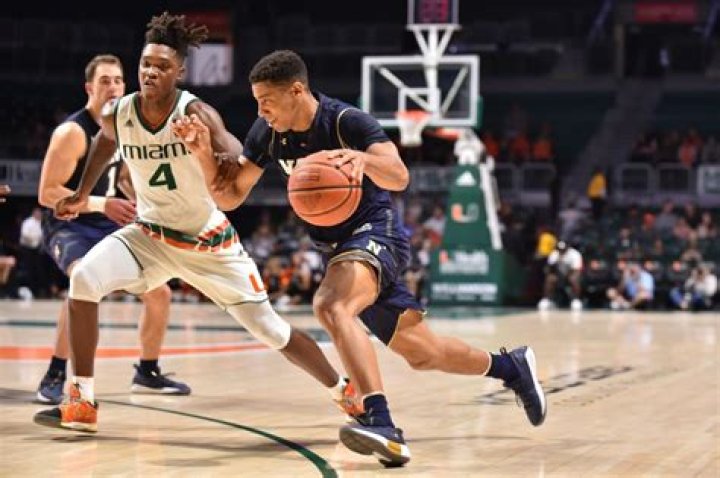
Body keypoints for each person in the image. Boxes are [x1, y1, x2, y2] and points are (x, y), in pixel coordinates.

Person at [173, 49, 546, 467]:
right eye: (258, 102)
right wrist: (202, 154)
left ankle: (381, 423)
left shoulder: (345, 121)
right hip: (337, 250)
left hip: (376, 232)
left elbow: (399, 175)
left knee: (331, 306)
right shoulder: (267, 133)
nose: (260, 111)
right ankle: (510, 367)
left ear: (296, 90)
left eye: (267, 101)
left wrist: (363, 160)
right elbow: (229, 196)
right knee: (423, 353)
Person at [34, 13, 357, 435]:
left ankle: (343, 390)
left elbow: (236, 151)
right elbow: (104, 142)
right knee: (84, 280)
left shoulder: (196, 112)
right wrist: (81, 193)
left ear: (180, 72)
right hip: (150, 236)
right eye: (146, 63)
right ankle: (81, 401)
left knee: (271, 330)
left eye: (162, 66)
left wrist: (209, 149)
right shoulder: (120, 111)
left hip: (208, 244)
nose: (151, 72)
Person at [35, 54, 191, 404]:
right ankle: (56, 373)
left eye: (118, 81)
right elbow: (47, 192)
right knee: (83, 280)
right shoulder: (72, 133)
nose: (113, 87)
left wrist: (146, 203)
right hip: (70, 224)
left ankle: (147, 371)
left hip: (108, 220)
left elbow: (121, 178)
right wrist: (100, 204)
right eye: (105, 81)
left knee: (160, 293)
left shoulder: (122, 126)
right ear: (89, 88)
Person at [537, 241, 583, 311]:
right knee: (550, 278)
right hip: (558, 275)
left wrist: (568, 275)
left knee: (574, 279)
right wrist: (555, 263)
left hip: (570, 274)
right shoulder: (554, 254)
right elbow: (549, 268)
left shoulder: (575, 254)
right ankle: (546, 299)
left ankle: (576, 300)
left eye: (563, 249)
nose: (561, 251)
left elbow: (576, 269)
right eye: (560, 249)